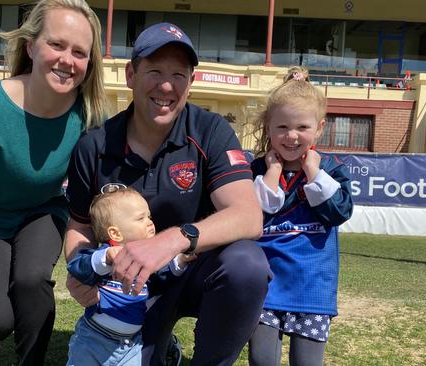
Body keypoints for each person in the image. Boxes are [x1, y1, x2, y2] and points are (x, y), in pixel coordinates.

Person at [64, 22, 272, 365]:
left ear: (191, 81)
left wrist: (172, 240)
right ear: (131, 74)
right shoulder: (95, 145)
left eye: (179, 74)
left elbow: (248, 216)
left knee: (247, 264)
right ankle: (160, 346)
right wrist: (80, 271)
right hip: (129, 286)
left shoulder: (210, 130)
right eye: (155, 71)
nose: (166, 85)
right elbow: (79, 225)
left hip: (191, 270)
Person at [0, 0, 107, 365]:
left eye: (80, 52)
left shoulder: (90, 114)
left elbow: (105, 176)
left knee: (33, 282)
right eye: (57, 45)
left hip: (42, 213)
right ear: (31, 46)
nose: (68, 60)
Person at [247, 66, 354, 366]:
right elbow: (251, 214)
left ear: (319, 128)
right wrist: (272, 171)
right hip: (265, 287)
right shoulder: (256, 170)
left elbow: (340, 212)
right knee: (262, 360)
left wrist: (313, 172)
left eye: (302, 128)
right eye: (281, 127)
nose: (291, 136)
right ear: (268, 127)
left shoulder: (331, 170)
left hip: (313, 288)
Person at [66, 186, 195, 365]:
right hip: (93, 339)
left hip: (131, 345)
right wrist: (107, 256)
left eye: (148, 216)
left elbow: (161, 277)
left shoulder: (147, 259)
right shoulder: (105, 258)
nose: (150, 222)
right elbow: (78, 266)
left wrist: (180, 261)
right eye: (140, 218)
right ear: (115, 233)